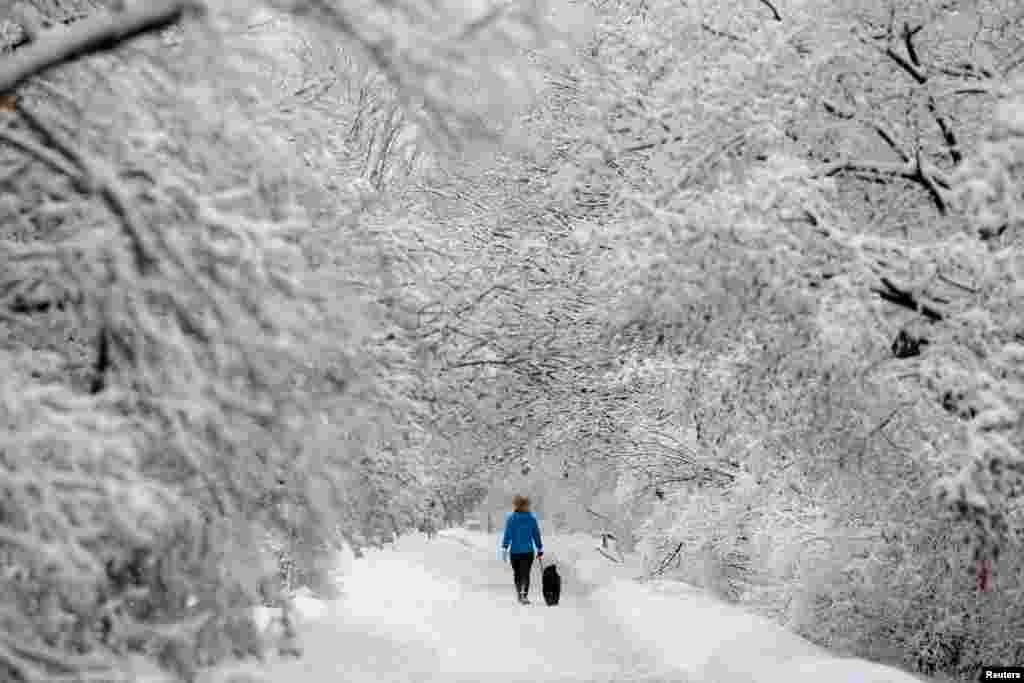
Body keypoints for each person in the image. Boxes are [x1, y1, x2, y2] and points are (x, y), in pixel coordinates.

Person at [501, 494, 543, 604]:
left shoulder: (511, 519)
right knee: (526, 573)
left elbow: (507, 534)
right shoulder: (531, 519)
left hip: (515, 552)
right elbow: (536, 534)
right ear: (527, 506)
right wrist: (539, 548)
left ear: (516, 505)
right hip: (528, 552)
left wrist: (505, 548)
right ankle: (524, 595)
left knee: (518, 574)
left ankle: (520, 593)